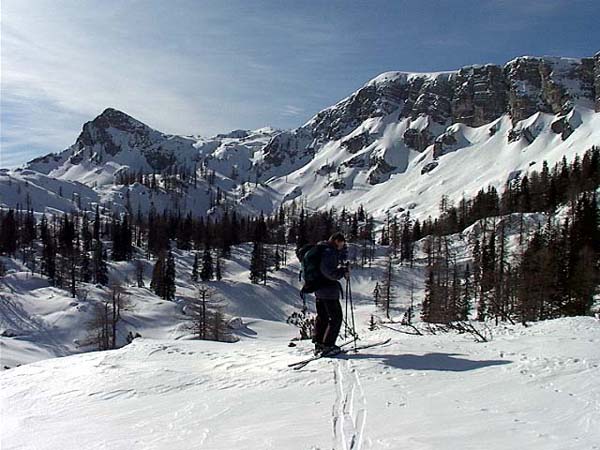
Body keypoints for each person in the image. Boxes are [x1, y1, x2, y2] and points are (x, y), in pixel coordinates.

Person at [312, 232, 350, 356]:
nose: (341, 247)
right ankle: (328, 346)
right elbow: (329, 273)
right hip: (328, 291)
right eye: (341, 244)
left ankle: (319, 343)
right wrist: (342, 272)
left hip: (319, 289)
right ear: (336, 241)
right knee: (336, 318)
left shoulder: (321, 249)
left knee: (322, 317)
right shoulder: (329, 252)